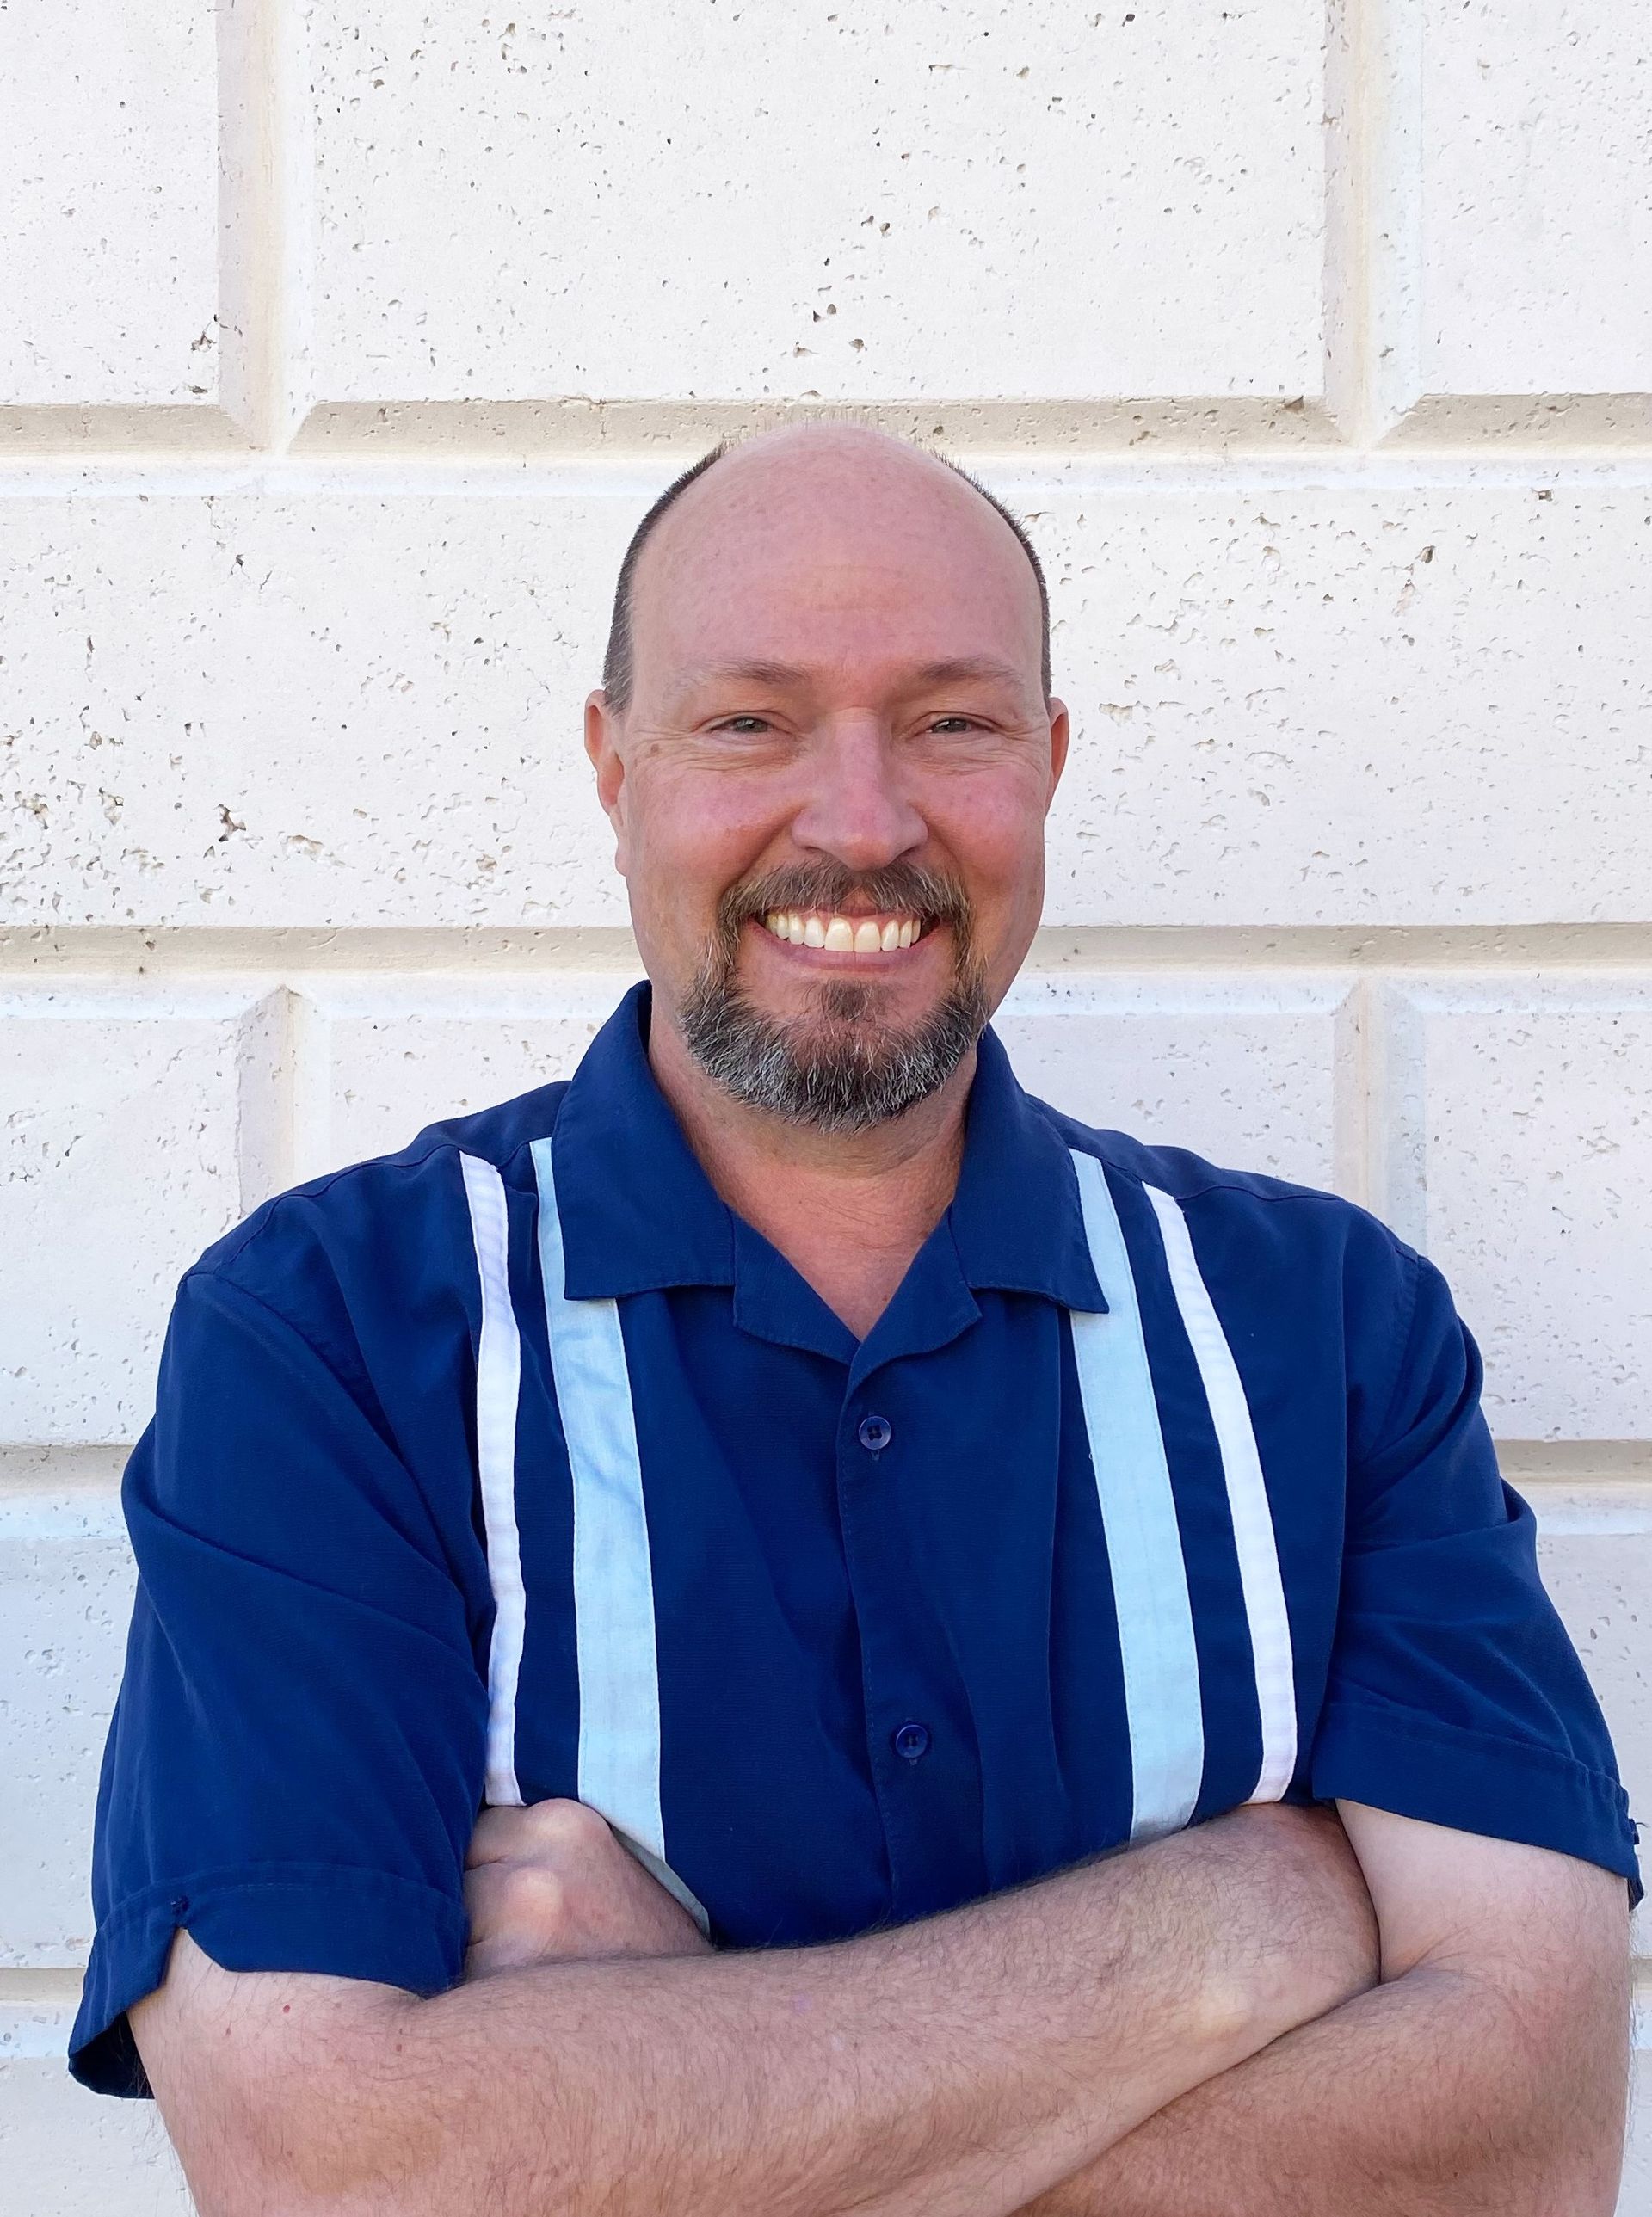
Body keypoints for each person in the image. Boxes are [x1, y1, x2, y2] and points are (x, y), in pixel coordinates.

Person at [71, 424, 1637, 2216]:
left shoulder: (1329, 1338)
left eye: (954, 720)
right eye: (750, 718)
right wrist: (1230, 1927)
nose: (864, 821)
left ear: (1048, 764)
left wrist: (664, 2084)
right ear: (615, 764)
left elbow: (1522, 2146)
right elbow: (331, 2168)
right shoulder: (338, 1336)